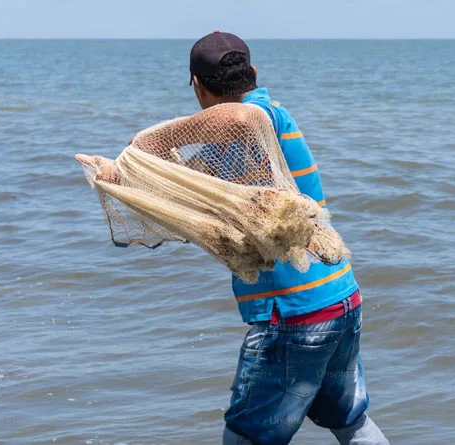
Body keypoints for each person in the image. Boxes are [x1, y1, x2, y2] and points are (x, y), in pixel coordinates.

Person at [78, 31, 388, 445]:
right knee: (349, 422)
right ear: (253, 71)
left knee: (246, 438)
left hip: (293, 317)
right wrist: (113, 174)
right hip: (339, 303)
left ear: (196, 84)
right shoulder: (229, 154)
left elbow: (240, 118)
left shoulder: (263, 115)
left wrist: (151, 140)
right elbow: (176, 189)